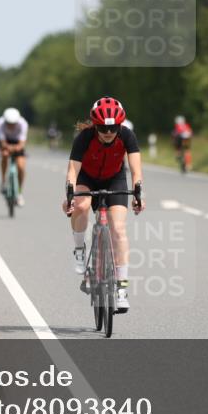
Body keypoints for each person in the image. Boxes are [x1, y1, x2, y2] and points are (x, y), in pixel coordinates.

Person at [63, 97, 144, 312]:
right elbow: (73, 171)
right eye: (102, 127)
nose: (108, 132)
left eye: (113, 127)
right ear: (95, 125)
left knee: (118, 229)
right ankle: (79, 249)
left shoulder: (127, 135)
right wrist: (70, 195)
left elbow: (135, 169)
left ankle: (121, 289)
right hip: (87, 178)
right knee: (81, 207)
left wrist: (138, 193)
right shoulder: (84, 137)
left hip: (114, 178)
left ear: (120, 125)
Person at [0, 107, 29, 206]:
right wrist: (6, 148)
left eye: (13, 124)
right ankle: (3, 180)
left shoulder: (23, 123)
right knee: (5, 155)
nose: (11, 125)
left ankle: (19, 192)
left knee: (21, 167)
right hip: (5, 141)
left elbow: (22, 142)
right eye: (9, 123)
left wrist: (16, 148)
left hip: (17, 142)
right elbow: (2, 141)